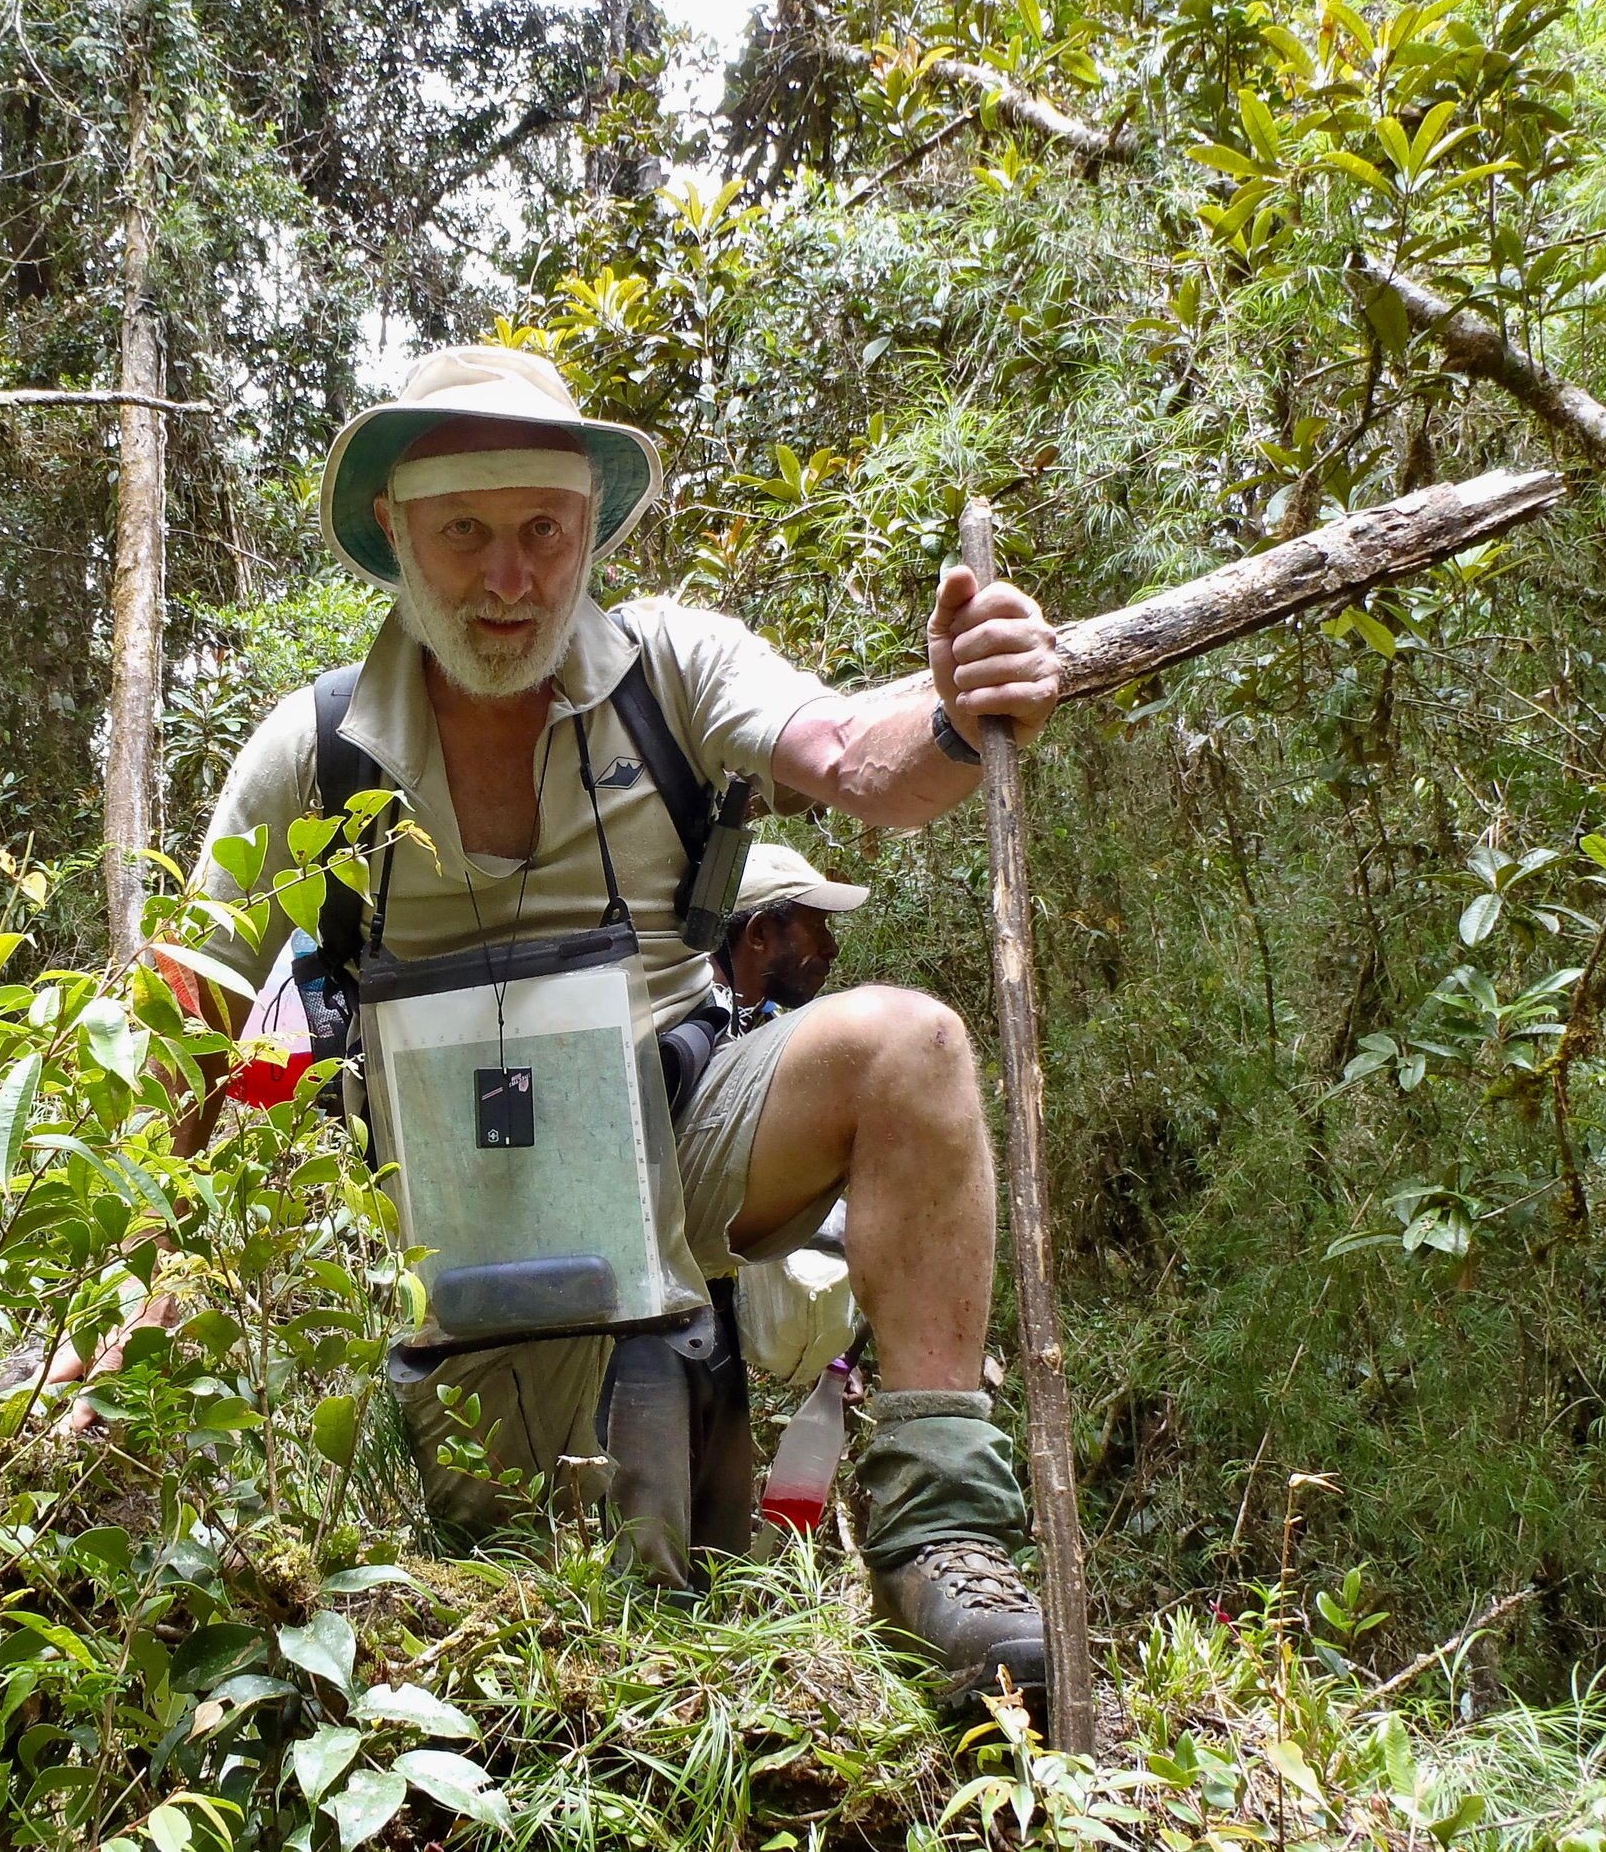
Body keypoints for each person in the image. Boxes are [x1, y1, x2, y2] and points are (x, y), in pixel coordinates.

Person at [56, 343, 1065, 1708]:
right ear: (399, 538)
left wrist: (953, 709)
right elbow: (191, 1018)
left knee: (914, 1047)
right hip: (409, 1207)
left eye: (544, 529)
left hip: (675, 1140)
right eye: (465, 531)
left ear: (590, 530)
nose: (508, 576)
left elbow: (848, 754)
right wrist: (104, 1288)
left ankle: (941, 1535)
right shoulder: (313, 751)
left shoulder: (675, 667)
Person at [715, 842, 869, 1028]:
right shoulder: (686, 1027)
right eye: (816, 926)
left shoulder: (764, 1022)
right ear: (759, 934)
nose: (832, 948)